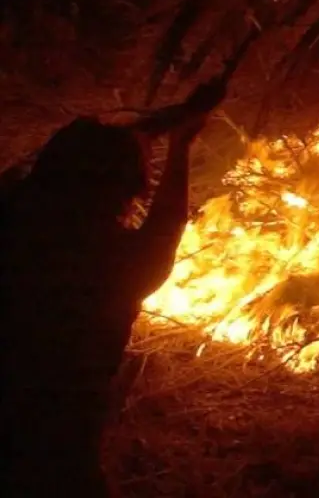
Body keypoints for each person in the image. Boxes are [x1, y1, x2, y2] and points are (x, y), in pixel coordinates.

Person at [2, 81, 222, 497]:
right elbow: (167, 223)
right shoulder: (118, 264)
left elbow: (80, 165)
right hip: (56, 444)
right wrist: (180, 146)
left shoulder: (12, 221)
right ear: (129, 187)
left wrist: (162, 125)